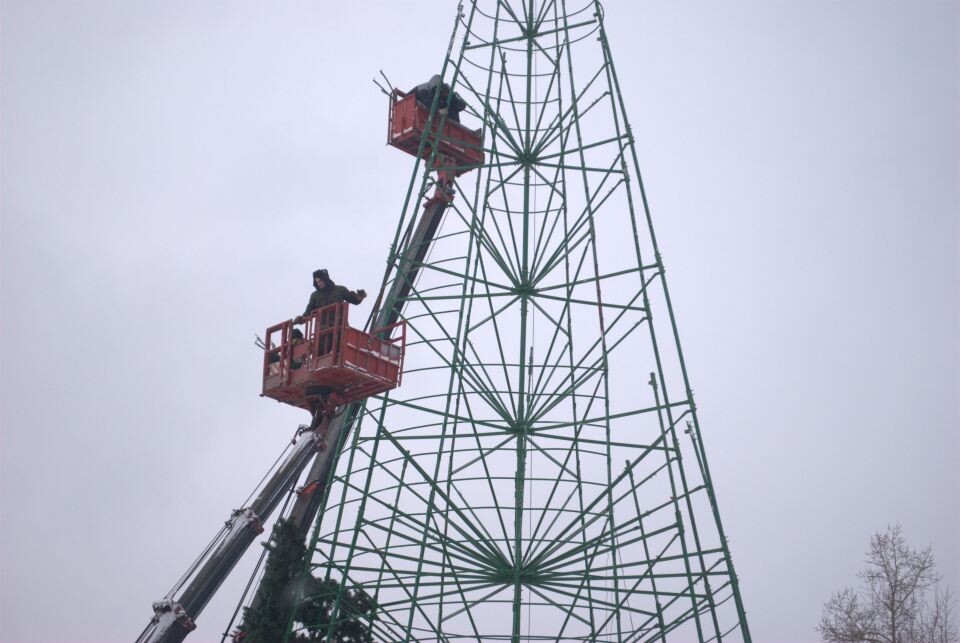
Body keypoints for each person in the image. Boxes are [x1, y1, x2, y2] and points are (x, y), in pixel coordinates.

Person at [299, 268, 367, 318]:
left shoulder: (340, 290)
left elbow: (352, 298)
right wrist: (302, 318)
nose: (319, 283)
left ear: (325, 279)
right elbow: (309, 309)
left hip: (339, 328)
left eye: (320, 281)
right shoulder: (315, 296)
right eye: (317, 282)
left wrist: (359, 296)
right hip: (322, 331)